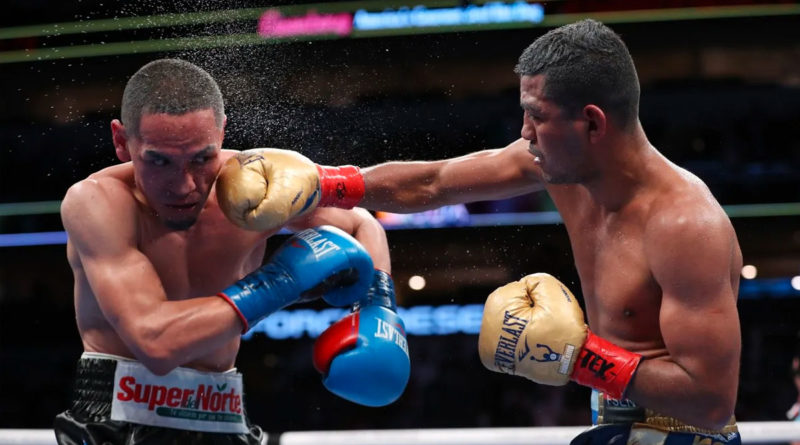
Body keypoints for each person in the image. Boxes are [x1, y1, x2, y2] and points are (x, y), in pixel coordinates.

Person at [244, 19, 742, 445]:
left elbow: (712, 402)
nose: (524, 131)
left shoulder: (684, 226)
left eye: (538, 116)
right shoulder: (555, 166)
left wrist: (580, 357)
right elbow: (432, 182)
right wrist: (325, 185)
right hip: (611, 424)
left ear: (592, 124)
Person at [55, 58, 410, 445]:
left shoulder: (254, 185)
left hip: (222, 413)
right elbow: (155, 342)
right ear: (122, 141)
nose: (184, 185)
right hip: (119, 410)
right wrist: (281, 282)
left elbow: (361, 223)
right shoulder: (98, 201)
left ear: (221, 134)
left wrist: (378, 306)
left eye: (202, 158)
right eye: (159, 161)